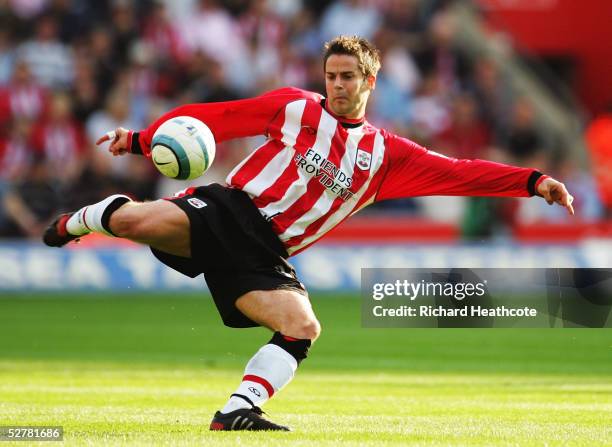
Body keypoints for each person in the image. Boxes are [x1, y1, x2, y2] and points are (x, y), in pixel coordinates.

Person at [43, 36, 574, 431]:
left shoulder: (388, 156)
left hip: (268, 251)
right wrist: (139, 139)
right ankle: (78, 220)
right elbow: (219, 118)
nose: (338, 86)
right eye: (332, 76)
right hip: (228, 208)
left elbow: (459, 172)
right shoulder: (292, 107)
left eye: (349, 77)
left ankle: (238, 411)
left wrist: (533, 182)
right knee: (136, 221)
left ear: (369, 82)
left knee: (303, 326)